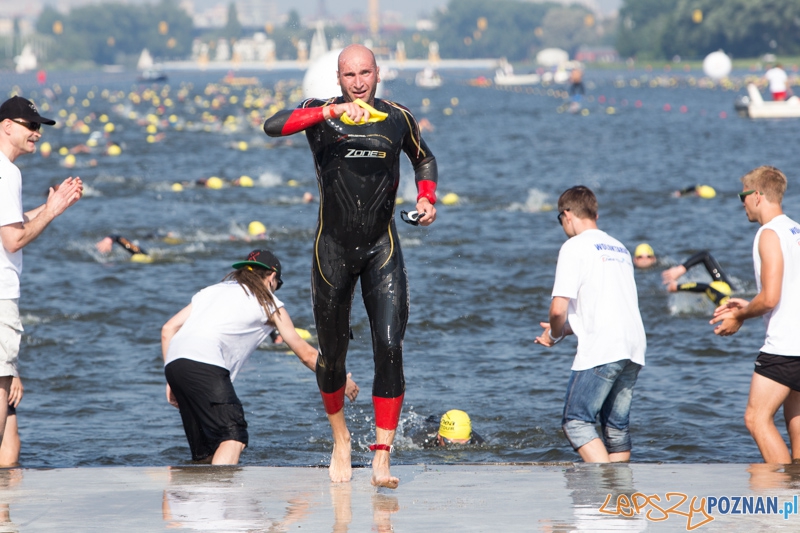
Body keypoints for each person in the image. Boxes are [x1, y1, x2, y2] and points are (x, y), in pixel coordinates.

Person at [263, 44, 438, 488]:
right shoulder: (320, 114)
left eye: (365, 73)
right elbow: (272, 125)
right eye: (349, 76)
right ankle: (341, 439)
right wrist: (330, 113)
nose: (358, 83)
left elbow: (424, 157)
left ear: (377, 73)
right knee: (333, 356)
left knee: (390, 345)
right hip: (333, 254)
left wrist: (426, 197)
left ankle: (382, 456)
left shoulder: (397, 117)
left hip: (382, 248)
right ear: (338, 79)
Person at [161, 249, 359, 465]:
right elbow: (306, 354)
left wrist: (170, 379)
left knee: (205, 451)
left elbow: (168, 328)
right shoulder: (269, 303)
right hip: (206, 363)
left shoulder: (210, 292)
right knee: (233, 437)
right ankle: (219, 494)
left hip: (175, 362)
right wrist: (341, 381)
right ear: (272, 276)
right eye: (278, 285)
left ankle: (196, 494)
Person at [535, 186, 646, 463]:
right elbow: (602, 310)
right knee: (615, 429)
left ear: (567, 214)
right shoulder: (619, 247)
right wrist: (565, 328)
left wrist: (555, 334)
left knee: (576, 422)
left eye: (559, 218)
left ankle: (602, 493)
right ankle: (621, 500)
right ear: (595, 213)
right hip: (633, 347)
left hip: (603, 348)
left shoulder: (574, 246)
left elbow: (558, 309)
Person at [0, 96, 83, 457]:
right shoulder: (7, 172)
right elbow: (14, 239)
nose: (37, 133)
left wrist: (53, 208)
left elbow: (10, 223)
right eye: (30, 125)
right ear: (5, 125)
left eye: (39, 127)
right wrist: (49, 212)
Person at [711, 166, 800, 464]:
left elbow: (772, 297)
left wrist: (740, 317)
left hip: (786, 347)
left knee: (756, 418)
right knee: (795, 420)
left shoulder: (769, 233)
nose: (742, 204)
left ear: (758, 195)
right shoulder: (796, 230)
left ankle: (781, 494)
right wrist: (750, 303)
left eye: (743, 196)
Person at [662, 250, 735, 305]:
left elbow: (706, 288)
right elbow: (705, 256)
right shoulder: (726, 301)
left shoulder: (726, 303)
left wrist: (677, 287)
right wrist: (680, 269)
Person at [405, 410, 484, 448]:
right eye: (449, 442)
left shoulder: (478, 441)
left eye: (465, 443)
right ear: (439, 437)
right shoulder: (418, 439)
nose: (457, 447)